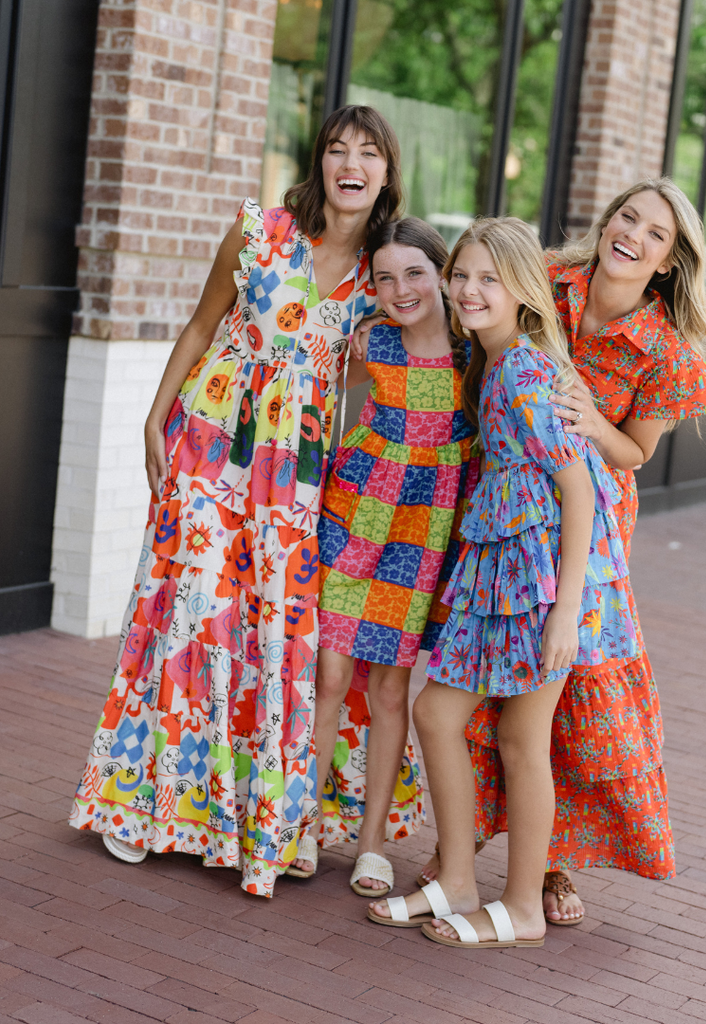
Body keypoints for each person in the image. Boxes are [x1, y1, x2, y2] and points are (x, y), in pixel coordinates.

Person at [68, 105, 406, 897]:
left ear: (387, 174)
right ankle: (140, 804)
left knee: (276, 633)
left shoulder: (380, 277)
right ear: (320, 161)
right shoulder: (262, 231)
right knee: (190, 611)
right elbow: (198, 326)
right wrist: (156, 415)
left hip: (297, 478)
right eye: (336, 148)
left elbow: (396, 362)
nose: (350, 161)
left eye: (368, 153)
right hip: (211, 449)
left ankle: (254, 814)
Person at [417, 177, 706, 924]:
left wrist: (588, 416)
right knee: (495, 696)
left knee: (568, 709)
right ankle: (460, 860)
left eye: (655, 234)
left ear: (669, 261)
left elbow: (634, 454)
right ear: (607, 221)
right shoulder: (544, 280)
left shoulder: (662, 348)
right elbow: (476, 307)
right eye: (628, 218)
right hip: (508, 508)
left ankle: (547, 868)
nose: (634, 237)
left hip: (582, 528)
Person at [367, 218, 636, 947]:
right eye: (462, 276)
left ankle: (520, 908)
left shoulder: (522, 368)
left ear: (524, 290)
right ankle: (456, 878)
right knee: (440, 716)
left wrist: (565, 609)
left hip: (546, 576)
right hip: (505, 566)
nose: (469, 290)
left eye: (490, 278)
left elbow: (577, 489)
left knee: (521, 736)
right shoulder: (493, 362)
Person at [303, 217, 479, 896]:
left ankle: (372, 845)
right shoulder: (370, 340)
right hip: (358, 517)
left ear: (442, 274)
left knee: (389, 690)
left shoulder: (474, 355)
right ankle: (300, 826)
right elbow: (311, 387)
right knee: (330, 673)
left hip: (425, 534)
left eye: (416, 273)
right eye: (384, 277)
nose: (400, 289)